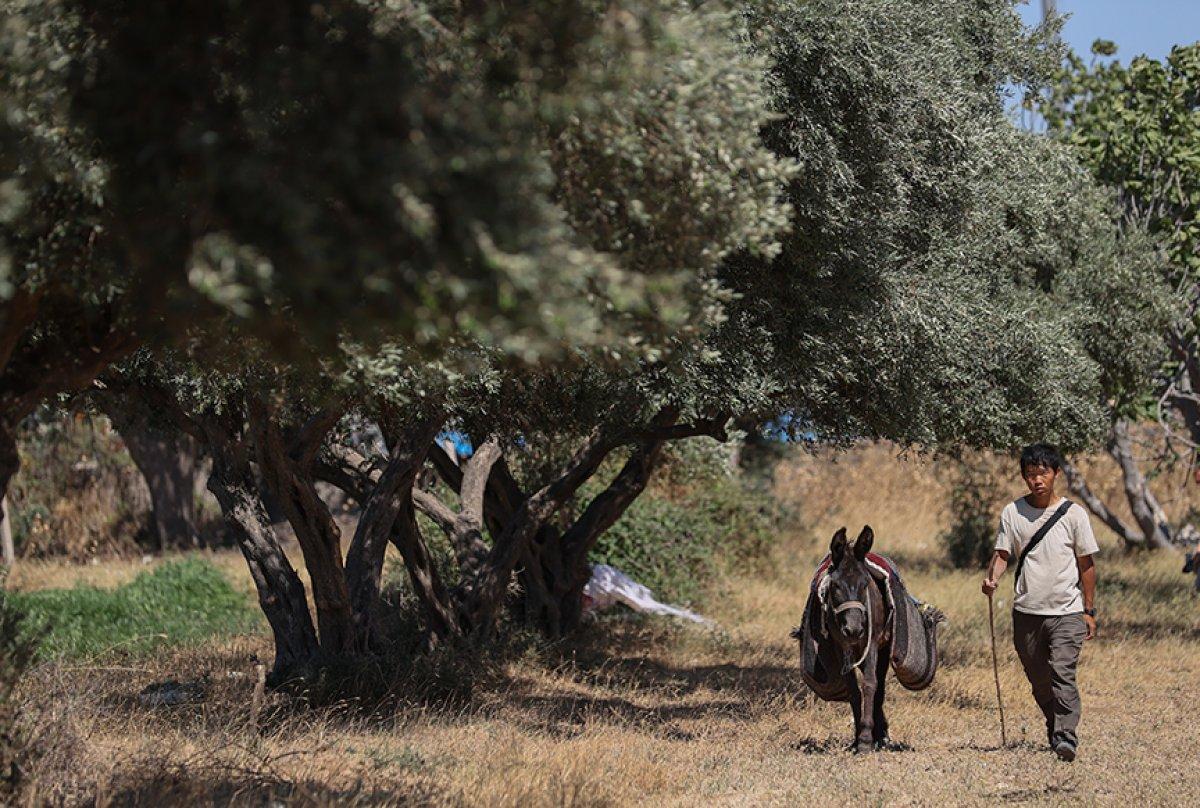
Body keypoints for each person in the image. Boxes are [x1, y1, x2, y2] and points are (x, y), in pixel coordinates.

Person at [981, 443, 1098, 762]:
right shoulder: (1012, 512)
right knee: (1038, 676)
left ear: (1056, 474)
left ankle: (1065, 736)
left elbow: (1086, 564)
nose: (1037, 480)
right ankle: (1054, 720)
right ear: (1024, 477)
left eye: (1043, 473)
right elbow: (1002, 553)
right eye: (1031, 474)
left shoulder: (1074, 514)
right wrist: (993, 579)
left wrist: (1089, 610)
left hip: (1068, 612)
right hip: (1027, 612)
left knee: (1063, 672)